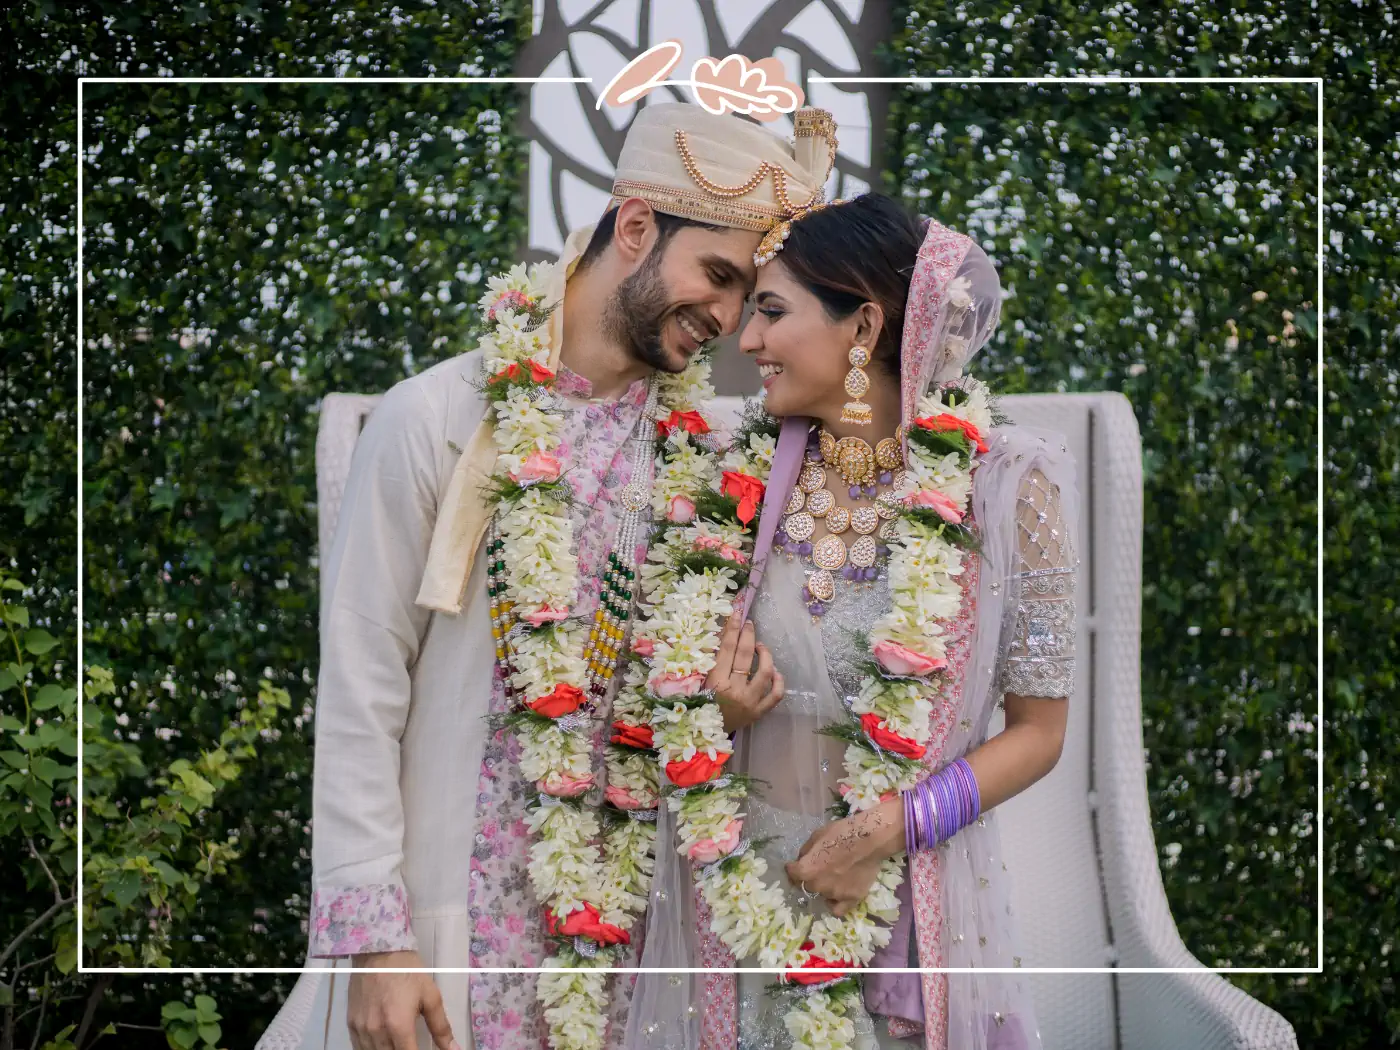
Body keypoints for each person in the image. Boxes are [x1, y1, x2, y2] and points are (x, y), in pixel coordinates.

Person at [256, 103, 840, 1050]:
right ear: (639, 225)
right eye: (719, 276)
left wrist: (717, 710)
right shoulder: (436, 419)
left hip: (632, 938)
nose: (730, 320)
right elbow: (362, 689)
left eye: (747, 295)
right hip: (451, 936)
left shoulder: (710, 457)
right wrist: (372, 946)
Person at [626, 194, 1079, 1050]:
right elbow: (667, 704)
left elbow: (1039, 733)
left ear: (863, 323)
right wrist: (710, 713)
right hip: (739, 896)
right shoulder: (735, 486)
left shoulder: (1010, 487)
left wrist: (880, 833)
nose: (746, 340)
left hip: (901, 897)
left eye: (770, 309)